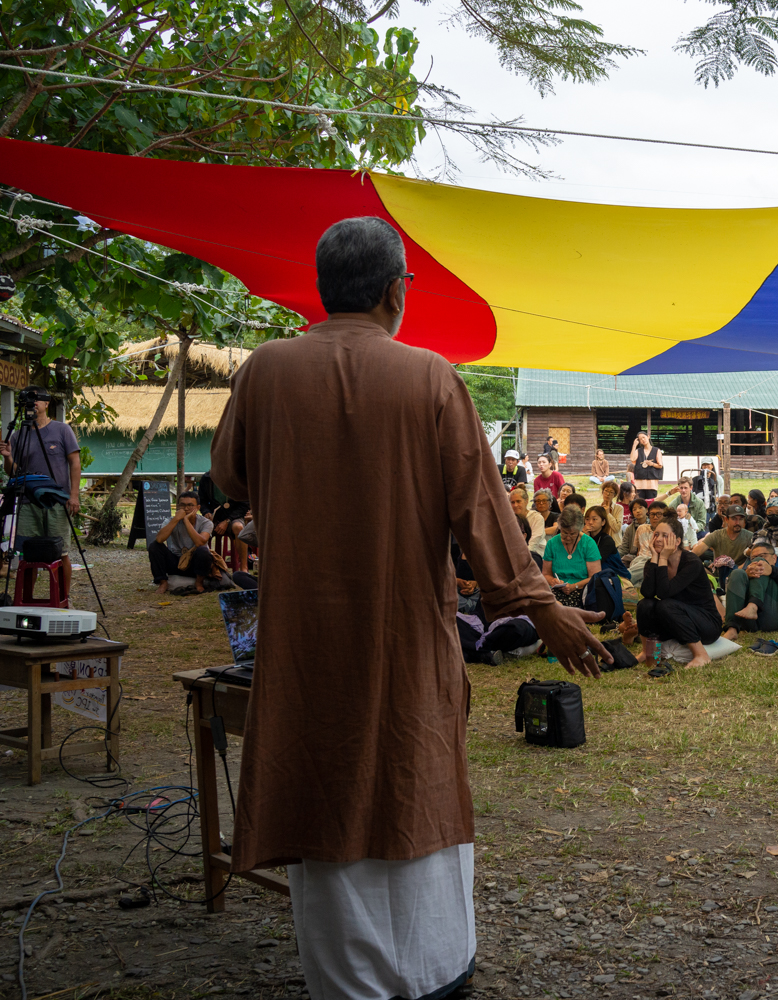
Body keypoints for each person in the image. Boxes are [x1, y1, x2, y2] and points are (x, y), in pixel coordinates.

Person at [209, 216, 608, 1000]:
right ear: (397, 291)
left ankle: (345, 980)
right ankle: (430, 976)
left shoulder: (263, 372)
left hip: (305, 646)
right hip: (402, 641)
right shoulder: (431, 378)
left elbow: (231, 477)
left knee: (322, 790)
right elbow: (484, 516)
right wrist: (540, 604)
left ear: (325, 290)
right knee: (413, 788)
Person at [1, 386, 81, 598]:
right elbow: (13, 472)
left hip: (57, 500)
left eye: (38, 399)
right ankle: (26, 600)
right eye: (29, 399)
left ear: (47, 404)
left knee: (61, 552)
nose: (33, 403)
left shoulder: (62, 430)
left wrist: (74, 496)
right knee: (28, 555)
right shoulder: (19, 435)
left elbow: (74, 462)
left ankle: (64, 599)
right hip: (28, 502)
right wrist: (8, 457)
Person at [638, 516, 720, 673]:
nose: (658, 539)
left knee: (665, 604)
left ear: (677, 541)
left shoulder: (691, 562)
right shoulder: (652, 562)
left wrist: (662, 557)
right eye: (656, 535)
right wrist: (656, 558)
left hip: (706, 623)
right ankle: (646, 651)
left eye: (665, 536)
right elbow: (647, 593)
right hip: (675, 621)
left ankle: (701, 655)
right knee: (645, 604)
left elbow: (664, 594)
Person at [723, 540, 778, 651]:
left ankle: (753, 606)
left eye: (763, 556)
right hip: (748, 621)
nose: (756, 560)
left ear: (774, 558)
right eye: (753, 559)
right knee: (738, 573)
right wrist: (746, 576)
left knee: (760, 564)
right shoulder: (745, 576)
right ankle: (732, 629)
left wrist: (772, 571)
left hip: (774, 617)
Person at [149, 490, 217, 593]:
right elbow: (159, 539)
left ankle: (199, 583)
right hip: (176, 562)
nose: (186, 508)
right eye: (182, 505)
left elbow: (200, 542)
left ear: (198, 507)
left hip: (195, 563)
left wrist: (186, 521)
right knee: (154, 546)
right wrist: (176, 519)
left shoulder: (206, 523)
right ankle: (163, 582)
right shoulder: (170, 521)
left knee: (203, 550)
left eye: (190, 505)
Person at [543, 506, 602, 608]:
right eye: (564, 533)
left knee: (555, 606)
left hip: (581, 590)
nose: (568, 537)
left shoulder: (588, 544)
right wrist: (553, 581)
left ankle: (559, 611)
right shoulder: (552, 543)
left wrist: (574, 586)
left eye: (573, 534)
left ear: (579, 530)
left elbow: (595, 576)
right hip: (556, 589)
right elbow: (546, 574)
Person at [693, 503, 750, 590]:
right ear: (726, 519)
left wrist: (738, 569)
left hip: (739, 576)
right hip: (717, 576)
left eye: (740, 519)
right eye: (734, 519)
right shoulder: (717, 535)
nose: (737, 523)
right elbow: (696, 552)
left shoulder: (750, 537)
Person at [630, 431, 664, 500]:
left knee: (651, 504)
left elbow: (660, 465)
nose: (643, 440)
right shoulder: (638, 450)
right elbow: (632, 458)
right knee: (639, 503)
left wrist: (652, 464)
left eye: (644, 437)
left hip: (652, 484)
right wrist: (634, 445)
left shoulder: (656, 450)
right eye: (640, 439)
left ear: (648, 437)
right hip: (639, 484)